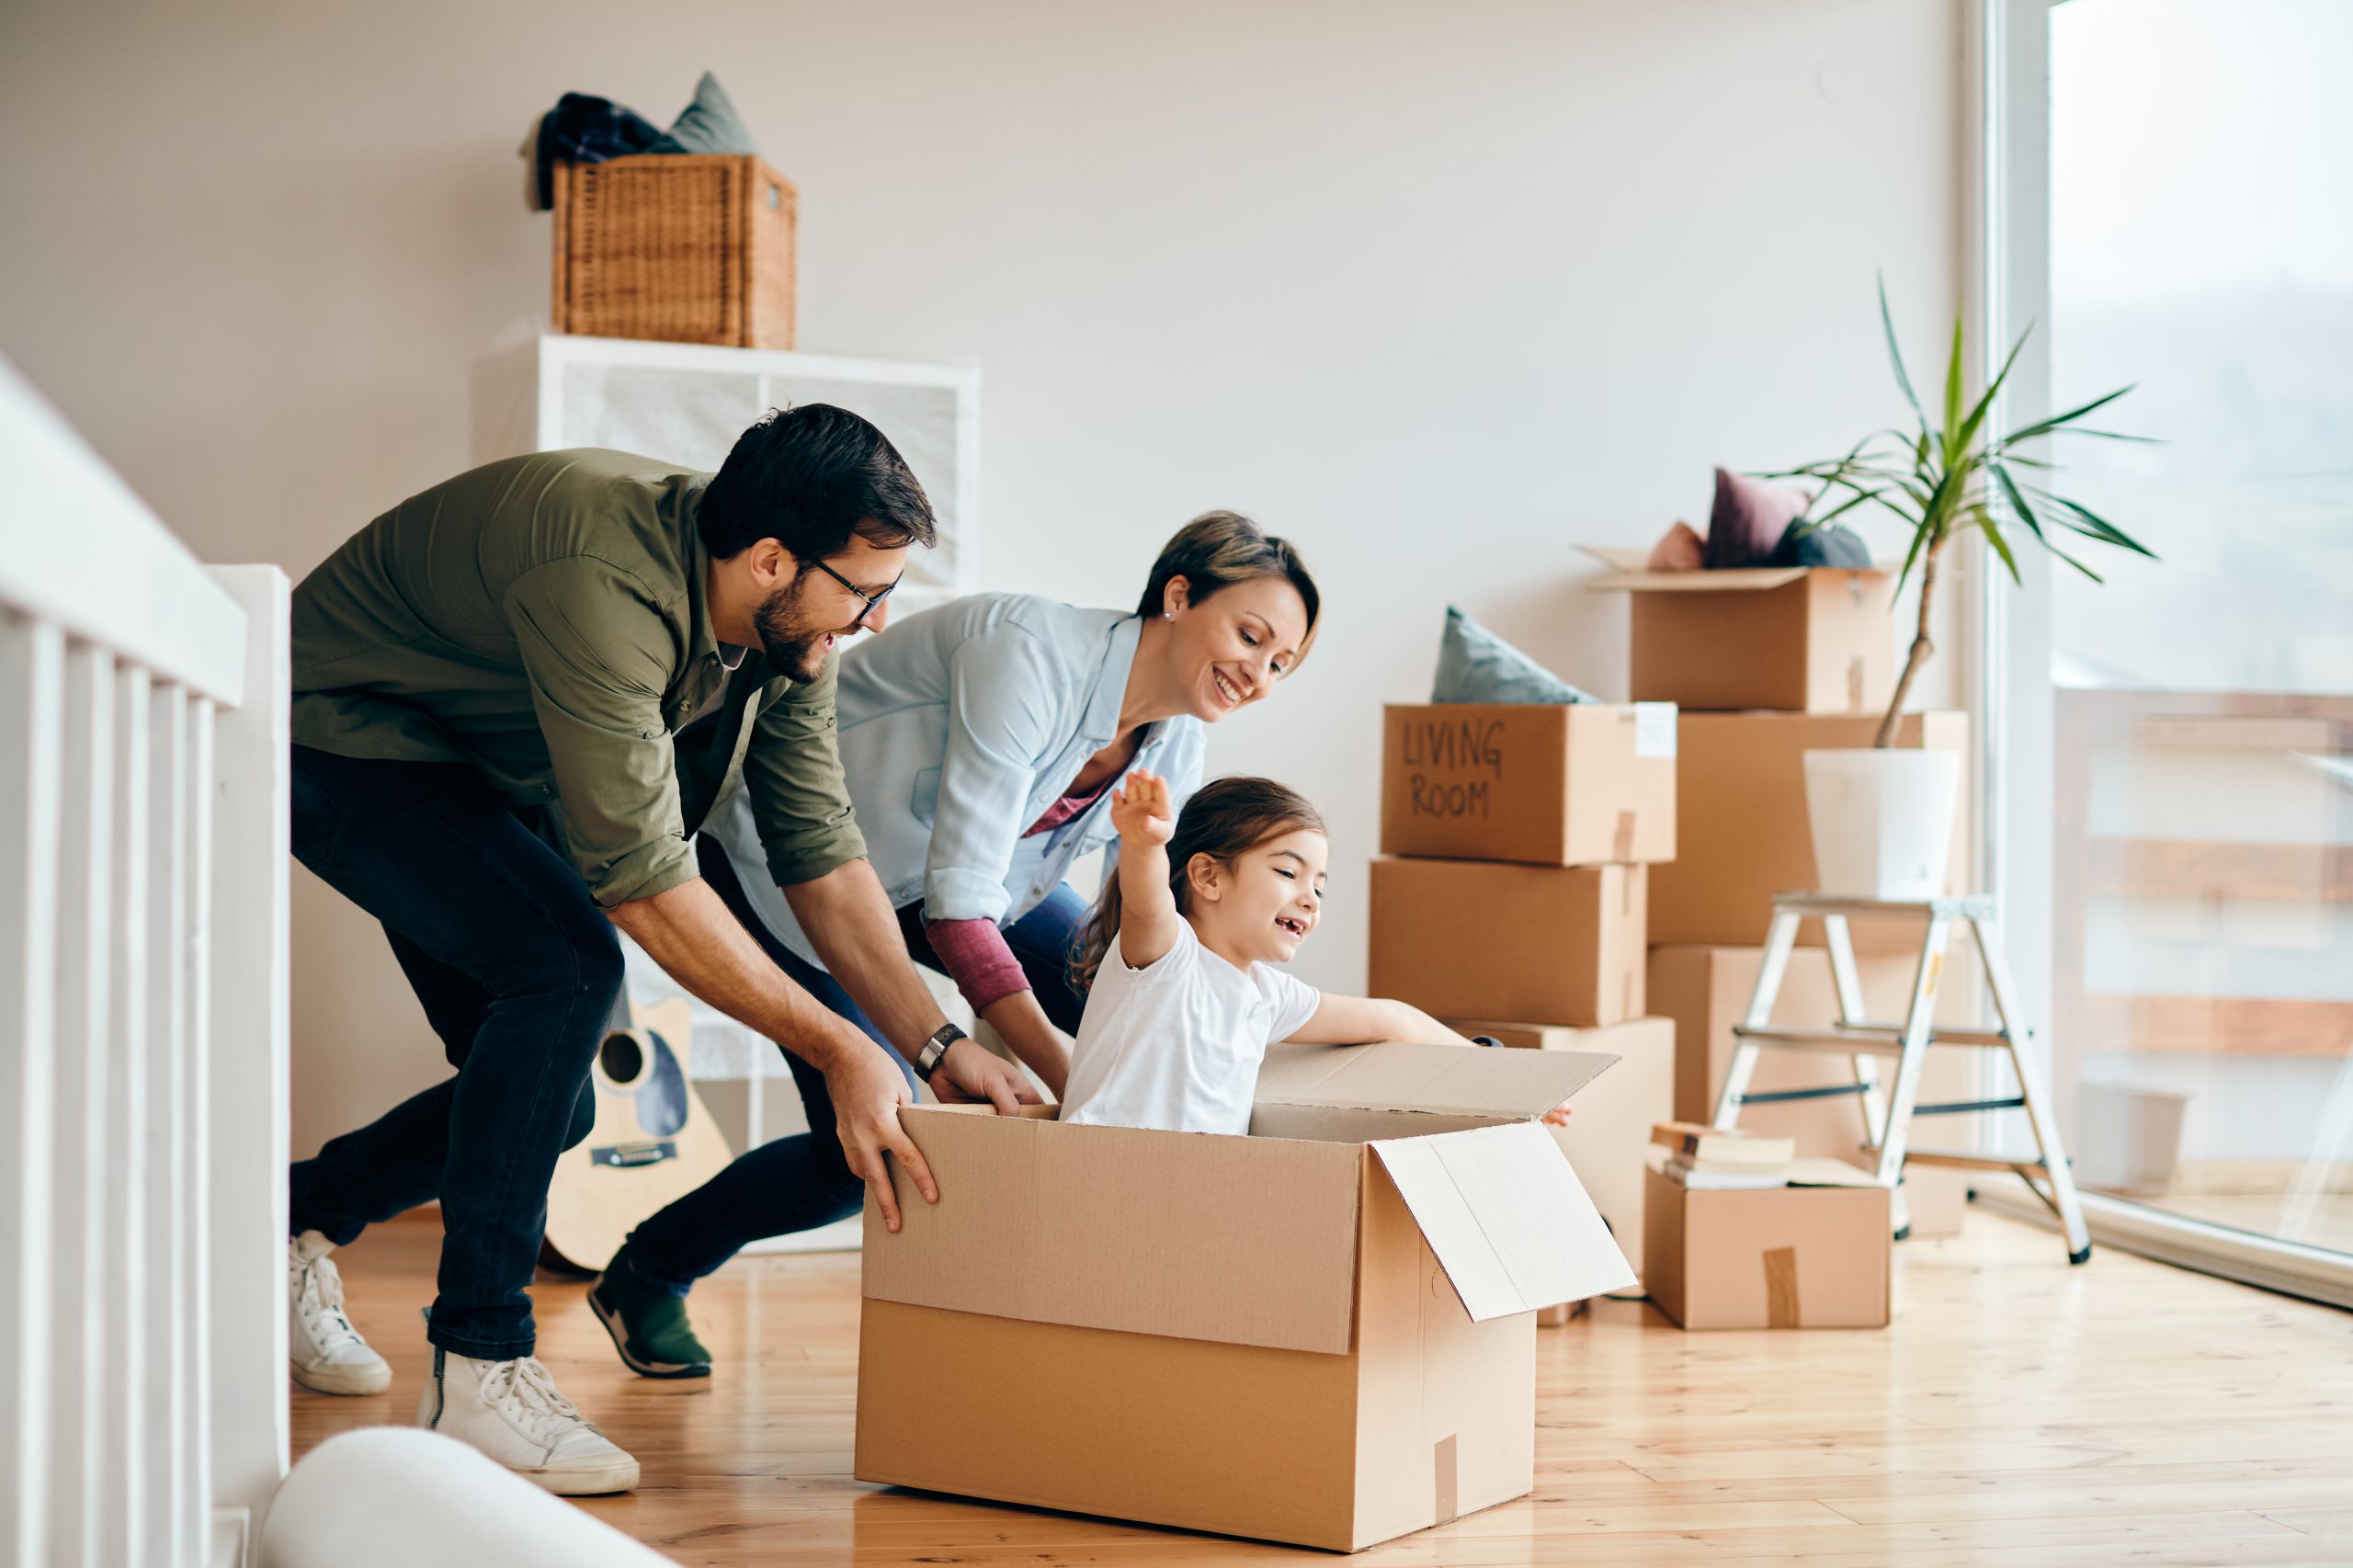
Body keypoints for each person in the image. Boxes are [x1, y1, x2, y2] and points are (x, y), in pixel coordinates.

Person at [280, 407, 1037, 1494]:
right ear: (772, 558)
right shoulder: (602, 581)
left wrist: (929, 1041)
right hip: (342, 730)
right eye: (864, 590)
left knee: (559, 1098)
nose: (876, 620)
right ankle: (479, 1363)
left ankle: (294, 1214)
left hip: (474, 765)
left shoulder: (785, 632)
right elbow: (639, 882)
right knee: (568, 968)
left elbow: (821, 853)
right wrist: (838, 1047)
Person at [587, 513, 1320, 1376]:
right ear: (1178, 594)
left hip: (961, 891)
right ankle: (647, 1272)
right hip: (794, 863)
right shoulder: (1030, 654)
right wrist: (1071, 1078)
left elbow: (1160, 945)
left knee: (1148, 1005)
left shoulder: (1179, 740)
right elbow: (959, 908)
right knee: (857, 1145)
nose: (1258, 674)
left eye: (1282, 664)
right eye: (1251, 636)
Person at [1059, 772, 1482, 1133]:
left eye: (1318, 886)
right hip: (1099, 1178)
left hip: (1186, 1197)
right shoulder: (1168, 956)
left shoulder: (1268, 995)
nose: (1311, 900)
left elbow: (1393, 1019)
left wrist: (1490, 1066)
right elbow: (1146, 901)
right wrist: (1143, 844)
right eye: (1287, 872)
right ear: (1208, 876)